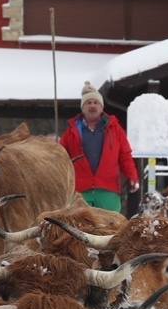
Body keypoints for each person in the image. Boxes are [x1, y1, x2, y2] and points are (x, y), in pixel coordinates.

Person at [60, 81, 140, 212]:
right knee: (79, 229)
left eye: (96, 102)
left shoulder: (115, 129)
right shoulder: (71, 133)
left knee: (109, 229)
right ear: (83, 108)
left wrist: (132, 176)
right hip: (80, 192)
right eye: (88, 103)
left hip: (108, 191)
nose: (92, 106)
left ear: (102, 107)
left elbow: (125, 155)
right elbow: (60, 158)